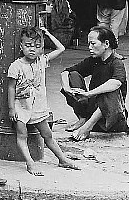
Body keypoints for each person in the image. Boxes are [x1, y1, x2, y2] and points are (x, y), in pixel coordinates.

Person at [6, 26, 80, 176]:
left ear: (41, 48)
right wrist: (11, 108)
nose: (32, 49)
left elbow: (61, 48)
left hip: (38, 105)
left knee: (47, 134)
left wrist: (47, 33)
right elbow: (11, 88)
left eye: (37, 46)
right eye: (28, 45)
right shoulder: (16, 66)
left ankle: (62, 159)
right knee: (22, 135)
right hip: (20, 106)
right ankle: (30, 163)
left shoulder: (41, 61)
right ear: (21, 46)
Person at [60, 26, 129, 141]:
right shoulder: (94, 60)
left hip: (111, 119)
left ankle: (86, 128)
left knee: (109, 90)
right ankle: (83, 119)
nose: (89, 48)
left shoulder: (116, 63)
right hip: (92, 112)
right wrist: (67, 88)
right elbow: (66, 72)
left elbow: (116, 83)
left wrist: (89, 94)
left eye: (93, 44)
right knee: (72, 75)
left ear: (106, 44)